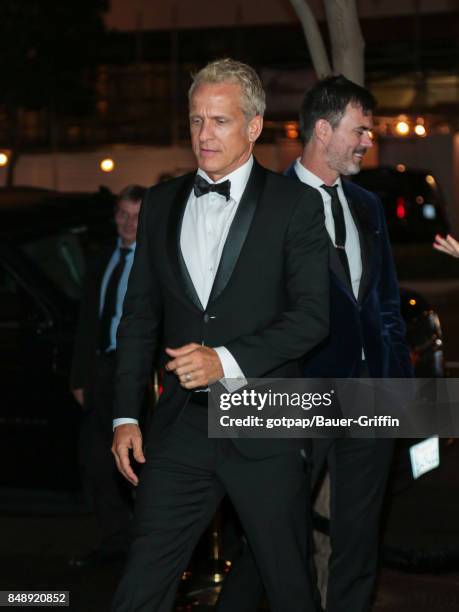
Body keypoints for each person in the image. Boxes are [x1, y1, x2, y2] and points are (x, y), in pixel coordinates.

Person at [110, 58, 329, 612]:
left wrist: (224, 360)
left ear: (253, 127)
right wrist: (125, 415)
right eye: (195, 121)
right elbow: (138, 319)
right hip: (181, 426)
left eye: (220, 121)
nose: (203, 135)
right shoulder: (160, 205)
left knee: (287, 586)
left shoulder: (295, 204)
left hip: (263, 420)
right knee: (142, 582)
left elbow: (311, 318)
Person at [217, 75, 413, 612]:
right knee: (273, 536)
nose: (369, 140)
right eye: (361, 130)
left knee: (358, 540)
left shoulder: (369, 206)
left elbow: (386, 305)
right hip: (295, 396)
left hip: (371, 398)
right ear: (323, 131)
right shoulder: (263, 204)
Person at [70, 184, 147, 568]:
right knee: (95, 458)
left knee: (138, 457)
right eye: (122, 214)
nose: (128, 223)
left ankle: (146, 543)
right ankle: (115, 539)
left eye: (136, 215)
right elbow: (87, 321)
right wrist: (79, 377)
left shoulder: (154, 261)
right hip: (102, 368)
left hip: (136, 370)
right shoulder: (102, 260)